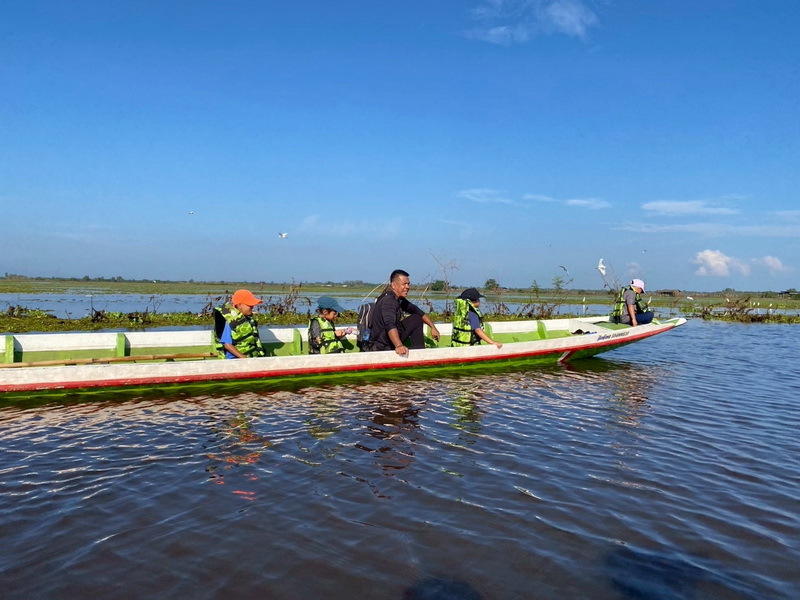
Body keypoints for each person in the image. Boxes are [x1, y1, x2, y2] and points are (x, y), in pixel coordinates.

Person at [366, 269, 441, 355]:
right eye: (404, 284)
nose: (407, 287)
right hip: (381, 346)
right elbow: (390, 324)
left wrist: (433, 327)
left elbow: (418, 311)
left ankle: (419, 351)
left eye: (408, 284)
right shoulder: (389, 301)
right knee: (415, 319)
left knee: (416, 318)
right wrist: (399, 345)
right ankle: (418, 354)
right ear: (394, 285)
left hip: (387, 339)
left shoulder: (399, 299)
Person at [213, 289, 266, 359]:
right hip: (234, 359)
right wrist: (243, 357)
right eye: (249, 305)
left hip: (250, 357)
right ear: (240, 305)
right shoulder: (231, 322)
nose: (252, 307)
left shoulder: (249, 319)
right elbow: (227, 345)